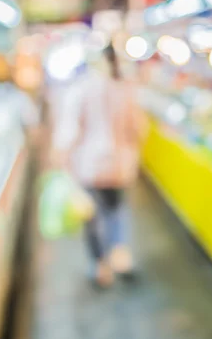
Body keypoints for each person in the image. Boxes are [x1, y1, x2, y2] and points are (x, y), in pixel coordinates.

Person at [67, 45, 148, 288]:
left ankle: (100, 265)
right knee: (116, 210)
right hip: (118, 164)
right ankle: (119, 255)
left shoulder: (82, 89)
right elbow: (138, 128)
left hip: (90, 164)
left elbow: (75, 128)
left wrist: (66, 157)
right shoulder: (125, 89)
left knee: (92, 215)